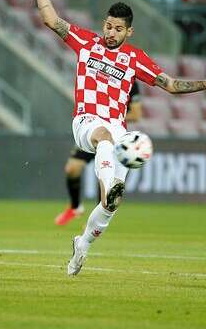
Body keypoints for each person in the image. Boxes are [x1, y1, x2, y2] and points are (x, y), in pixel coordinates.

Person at [32, 0, 206, 276]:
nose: (110, 33)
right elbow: (50, 19)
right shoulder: (86, 42)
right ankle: (108, 185)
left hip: (118, 130)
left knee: (112, 205)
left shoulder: (134, 58)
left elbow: (169, 84)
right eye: (108, 26)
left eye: (117, 29)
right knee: (104, 138)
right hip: (86, 122)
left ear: (129, 32)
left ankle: (82, 244)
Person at [55, 81, 141, 226]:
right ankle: (75, 207)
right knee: (72, 169)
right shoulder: (100, 72)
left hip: (114, 134)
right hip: (93, 129)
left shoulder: (131, 81)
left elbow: (136, 114)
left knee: (104, 176)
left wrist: (110, 114)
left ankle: (96, 219)